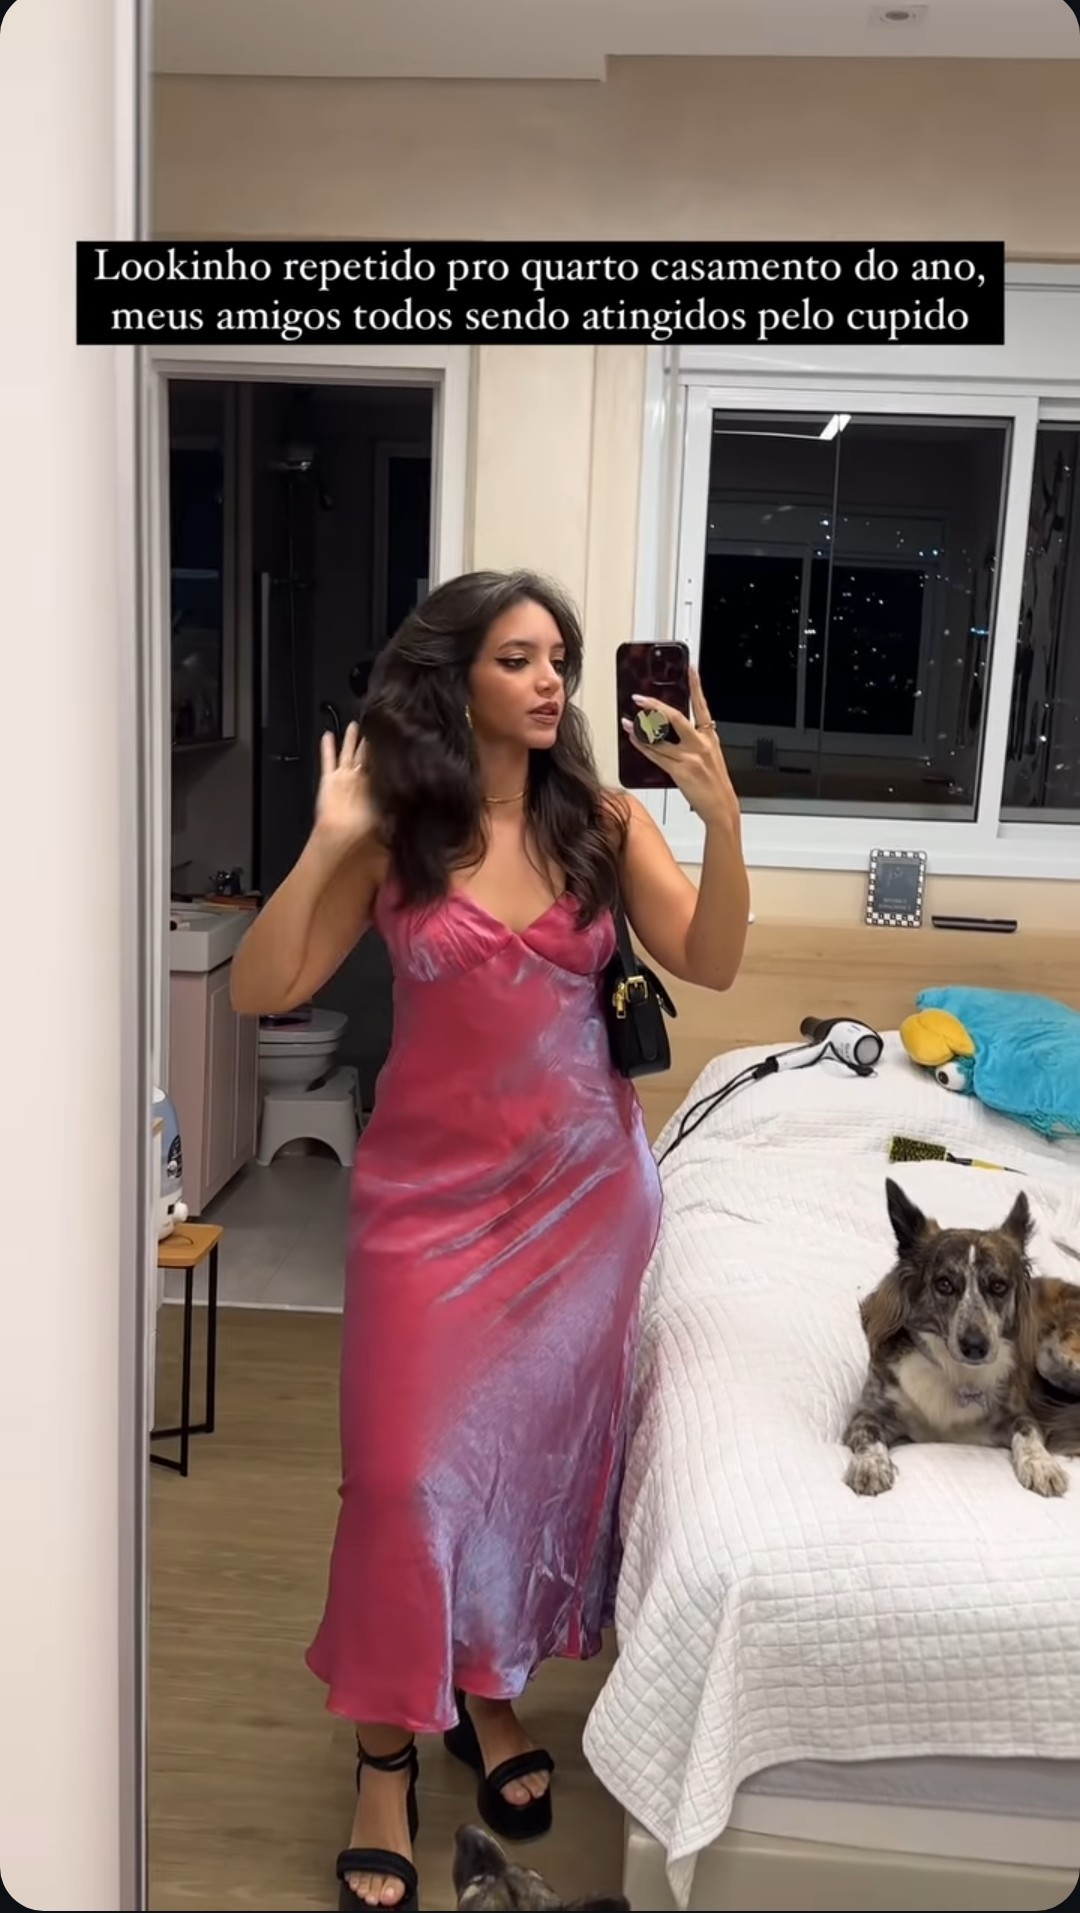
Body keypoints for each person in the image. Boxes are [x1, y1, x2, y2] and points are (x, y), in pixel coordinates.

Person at [230, 570, 749, 1912]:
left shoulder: (604, 823)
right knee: (403, 1483)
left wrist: (720, 819)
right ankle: (383, 1758)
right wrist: (328, 840)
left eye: (559, 656)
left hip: (587, 1208)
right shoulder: (396, 836)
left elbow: (710, 958)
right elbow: (261, 986)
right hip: (426, 1212)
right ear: (455, 677)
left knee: (522, 1478)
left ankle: (486, 1691)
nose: (551, 679)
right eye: (518, 656)